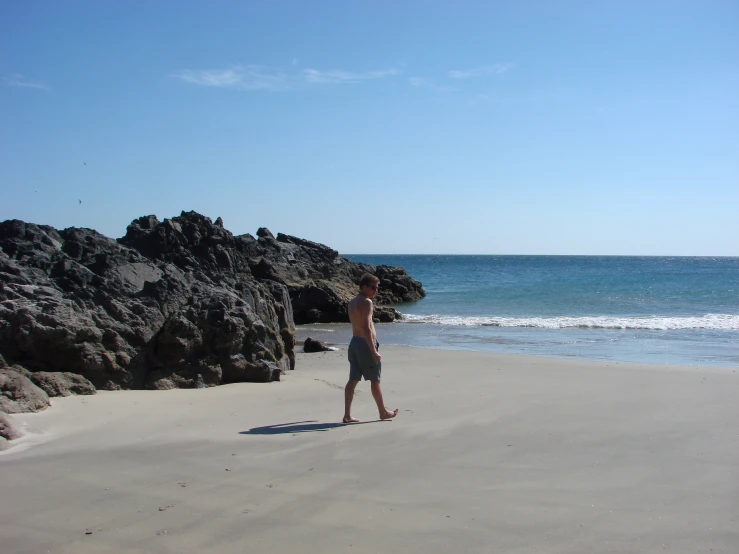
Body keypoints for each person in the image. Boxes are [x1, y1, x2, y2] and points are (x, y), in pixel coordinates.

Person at [343, 273, 399, 423]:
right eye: (374, 288)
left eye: (377, 288)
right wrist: (374, 351)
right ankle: (383, 412)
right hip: (365, 345)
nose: (376, 291)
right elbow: (366, 327)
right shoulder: (366, 302)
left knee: (353, 380)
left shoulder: (353, 301)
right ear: (365, 287)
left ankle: (347, 415)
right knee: (375, 380)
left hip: (354, 343)